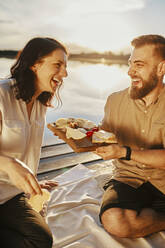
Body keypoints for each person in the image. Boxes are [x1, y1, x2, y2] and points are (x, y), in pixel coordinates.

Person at [95, 34, 165, 238]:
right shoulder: (114, 100)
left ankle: (149, 217)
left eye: (139, 64)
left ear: (161, 68)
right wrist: (84, 135)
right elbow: (102, 135)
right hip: (127, 179)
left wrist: (125, 152)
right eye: (130, 63)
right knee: (115, 222)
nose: (130, 71)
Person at [0, 37, 68, 247]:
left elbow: (27, 151)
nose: (65, 74)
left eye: (66, 67)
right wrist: (9, 164)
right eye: (58, 65)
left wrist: (31, 180)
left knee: (41, 239)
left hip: (11, 195)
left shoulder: (41, 103)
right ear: (34, 64)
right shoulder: (1, 94)